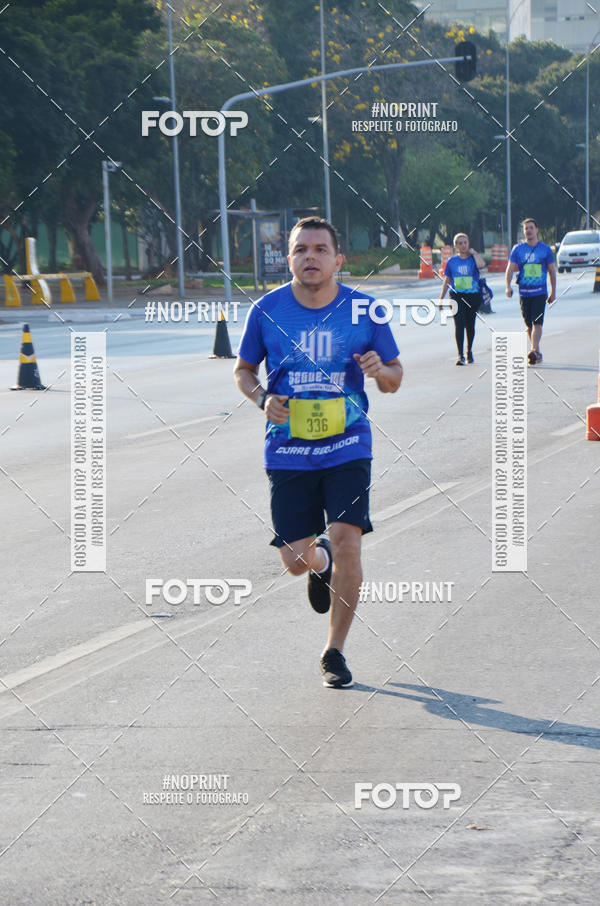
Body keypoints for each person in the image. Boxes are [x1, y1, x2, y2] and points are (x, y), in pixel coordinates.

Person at [233, 217, 403, 688]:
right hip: (287, 449)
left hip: (348, 444)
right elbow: (244, 371)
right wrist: (261, 399)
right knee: (294, 560)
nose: (311, 256)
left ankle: (334, 651)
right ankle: (319, 561)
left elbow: (394, 378)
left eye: (320, 249)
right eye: (301, 249)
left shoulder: (365, 311)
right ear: (288, 258)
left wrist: (380, 371)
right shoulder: (266, 310)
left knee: (350, 541)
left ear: (338, 259)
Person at [505, 217, 556, 365]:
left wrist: (553, 292)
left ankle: (533, 349)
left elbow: (552, 271)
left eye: (531, 228)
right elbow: (510, 269)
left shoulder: (545, 250)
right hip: (524, 293)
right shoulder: (518, 249)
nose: (528, 230)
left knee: (537, 322)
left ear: (537, 230)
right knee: (528, 324)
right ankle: (537, 351)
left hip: (540, 292)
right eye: (526, 228)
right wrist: (508, 286)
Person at [438, 233, 486, 365]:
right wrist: (441, 299)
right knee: (459, 324)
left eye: (465, 242)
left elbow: (481, 265)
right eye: (460, 243)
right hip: (456, 296)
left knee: (470, 325)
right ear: (456, 246)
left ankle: (469, 351)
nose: (463, 245)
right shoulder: (452, 261)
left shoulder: (473, 259)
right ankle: (460, 355)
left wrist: (474, 254)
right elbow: (447, 280)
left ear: (468, 244)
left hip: (472, 296)